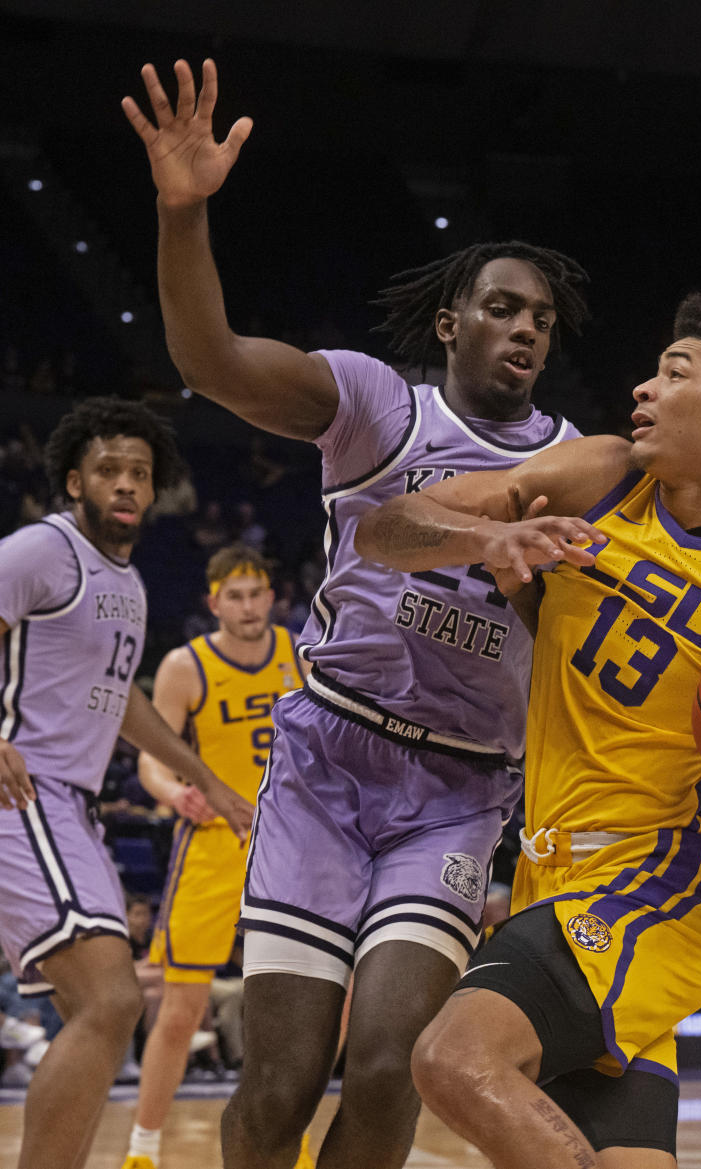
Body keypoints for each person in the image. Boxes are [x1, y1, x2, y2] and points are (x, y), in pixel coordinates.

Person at [123, 57, 589, 1169]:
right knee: (279, 1083)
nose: (525, 329)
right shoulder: (381, 407)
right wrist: (183, 213)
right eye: (502, 307)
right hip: (328, 762)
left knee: (389, 1065)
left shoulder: (579, 465)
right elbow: (212, 360)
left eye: (542, 318)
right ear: (451, 322)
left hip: (460, 793)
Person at [355, 291, 701, 1168]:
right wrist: (488, 536)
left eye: (675, 373)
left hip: (658, 883)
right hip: (546, 873)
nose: (642, 388)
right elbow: (383, 529)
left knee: (453, 1059)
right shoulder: (600, 477)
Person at [0, 397, 253, 1169]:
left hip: (68, 809)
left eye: (140, 473)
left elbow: (123, 704)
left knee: (98, 1012)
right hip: (22, 794)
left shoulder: (130, 584)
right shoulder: (41, 550)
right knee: (112, 1001)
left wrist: (211, 779)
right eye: (109, 469)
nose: (126, 484)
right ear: (73, 480)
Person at [122, 545, 303, 1169]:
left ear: (272, 595)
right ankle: (143, 1148)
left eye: (257, 594)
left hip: (291, 842)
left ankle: (291, 1142)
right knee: (181, 1010)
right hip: (212, 844)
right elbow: (150, 756)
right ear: (213, 602)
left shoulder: (301, 651)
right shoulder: (184, 666)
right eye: (236, 595)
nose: (249, 606)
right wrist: (175, 792)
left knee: (296, 1004)